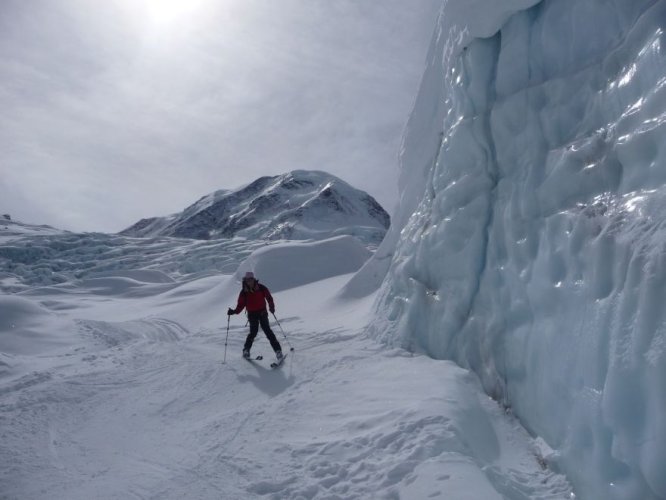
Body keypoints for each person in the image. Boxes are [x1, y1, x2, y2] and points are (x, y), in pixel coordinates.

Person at [228, 271, 283, 361]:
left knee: (267, 331)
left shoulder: (261, 288)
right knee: (253, 332)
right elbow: (241, 304)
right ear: (245, 280)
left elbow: (269, 297)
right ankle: (246, 350)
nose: (249, 281)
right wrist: (234, 311)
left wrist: (271, 306)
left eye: (250, 279)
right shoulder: (244, 292)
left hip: (262, 312)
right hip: (252, 314)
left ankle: (278, 351)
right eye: (247, 280)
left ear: (253, 279)